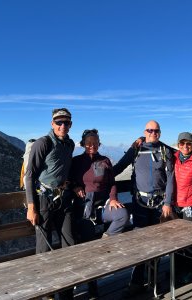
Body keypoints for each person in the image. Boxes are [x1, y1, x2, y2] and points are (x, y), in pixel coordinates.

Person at [113, 120, 174, 297]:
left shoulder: (165, 151)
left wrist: (168, 203)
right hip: (140, 203)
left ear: (160, 133)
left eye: (156, 131)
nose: (153, 133)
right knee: (139, 242)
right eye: (150, 130)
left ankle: (152, 279)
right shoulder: (136, 148)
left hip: (159, 205)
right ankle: (138, 280)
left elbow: (170, 179)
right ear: (144, 132)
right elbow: (119, 167)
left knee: (156, 242)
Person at [69, 129, 129, 298]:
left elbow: (111, 183)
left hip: (102, 205)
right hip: (84, 207)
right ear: (82, 144)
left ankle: (105, 242)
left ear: (99, 144)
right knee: (87, 246)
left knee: (122, 215)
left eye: (95, 143)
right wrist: (75, 186)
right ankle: (91, 283)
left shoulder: (105, 161)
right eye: (88, 143)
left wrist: (114, 198)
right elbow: (69, 179)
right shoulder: (76, 161)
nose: (92, 146)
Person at [25, 108, 75, 300]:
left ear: (71, 124)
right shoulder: (43, 143)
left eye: (66, 123)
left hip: (63, 198)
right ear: (52, 123)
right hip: (44, 200)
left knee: (69, 243)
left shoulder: (69, 144)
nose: (63, 126)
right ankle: (45, 293)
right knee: (43, 248)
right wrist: (31, 206)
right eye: (59, 122)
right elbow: (30, 175)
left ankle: (67, 292)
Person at [173, 132, 192, 284]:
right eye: (182, 143)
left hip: (191, 204)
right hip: (175, 205)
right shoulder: (173, 158)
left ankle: (190, 270)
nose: (185, 146)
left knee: (190, 240)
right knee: (177, 240)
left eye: (189, 143)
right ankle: (178, 269)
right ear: (178, 145)